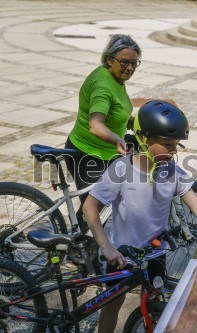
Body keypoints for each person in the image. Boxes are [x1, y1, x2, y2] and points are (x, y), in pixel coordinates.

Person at [83, 100, 197, 333]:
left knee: (154, 304)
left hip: (155, 253)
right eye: (167, 144)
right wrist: (106, 247)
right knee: (112, 305)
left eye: (176, 145)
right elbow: (89, 207)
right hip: (122, 254)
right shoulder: (121, 170)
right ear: (143, 138)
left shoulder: (173, 172)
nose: (173, 151)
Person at [64, 34, 141, 233]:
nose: (130, 68)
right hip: (86, 154)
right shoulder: (103, 84)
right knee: (96, 210)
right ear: (109, 59)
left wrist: (135, 125)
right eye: (124, 62)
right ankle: (83, 255)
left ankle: (80, 247)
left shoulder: (115, 78)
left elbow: (116, 113)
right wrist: (117, 139)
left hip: (105, 154)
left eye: (134, 63)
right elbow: (95, 124)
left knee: (97, 206)